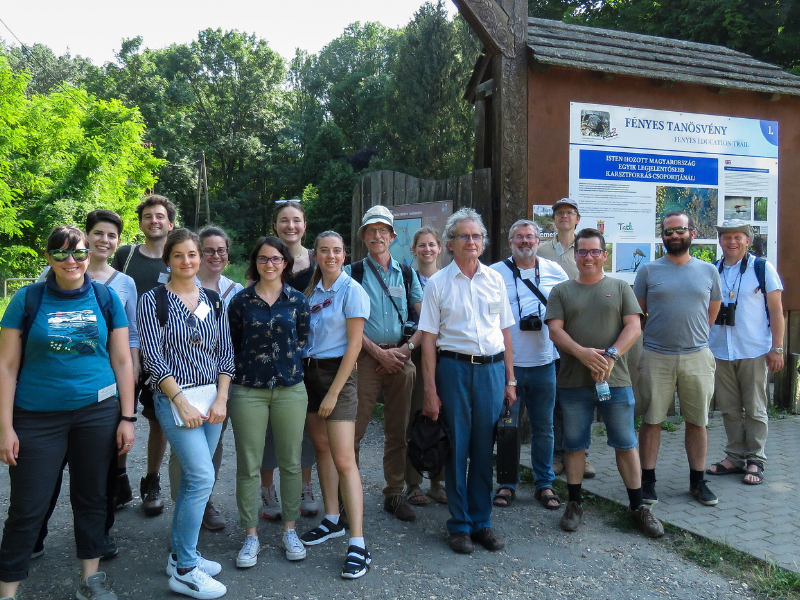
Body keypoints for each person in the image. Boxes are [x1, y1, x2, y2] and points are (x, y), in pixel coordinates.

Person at [0, 226, 135, 600]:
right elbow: (6, 366)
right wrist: (5, 426)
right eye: (60, 253)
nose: (70, 260)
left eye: (78, 252)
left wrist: (127, 417)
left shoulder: (105, 298)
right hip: (35, 417)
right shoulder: (27, 299)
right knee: (28, 507)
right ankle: (8, 591)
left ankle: (90, 579)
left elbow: (123, 361)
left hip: (97, 414)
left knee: (92, 498)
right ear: (49, 258)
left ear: (89, 255)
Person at [32, 210, 140, 560]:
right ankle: (34, 534)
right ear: (87, 238)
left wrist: (132, 379)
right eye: (98, 233)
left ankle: (98, 537)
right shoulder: (53, 274)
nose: (104, 240)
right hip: (54, 393)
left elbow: (130, 337)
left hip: (103, 390)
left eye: (111, 235)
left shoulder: (123, 284)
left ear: (117, 242)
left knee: (98, 473)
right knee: (46, 470)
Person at [545, 228, 663, 538]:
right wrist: (582, 354)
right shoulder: (561, 291)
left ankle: (638, 507)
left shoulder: (620, 287)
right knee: (574, 445)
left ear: (604, 255)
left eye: (594, 251)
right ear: (575, 255)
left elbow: (634, 326)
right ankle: (574, 503)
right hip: (573, 382)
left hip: (617, 380)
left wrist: (610, 356)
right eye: (582, 251)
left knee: (625, 443)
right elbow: (555, 331)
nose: (588, 257)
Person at [137, 228, 234, 599]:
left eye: (192, 254)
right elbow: (153, 357)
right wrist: (179, 401)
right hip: (175, 400)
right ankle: (186, 571)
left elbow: (225, 353)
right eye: (178, 255)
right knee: (200, 476)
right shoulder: (153, 300)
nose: (187, 261)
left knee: (197, 481)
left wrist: (222, 398)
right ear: (168, 260)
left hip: (212, 400)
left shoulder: (213, 299)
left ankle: (180, 554)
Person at [419, 207, 515, 554]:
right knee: (457, 448)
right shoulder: (438, 284)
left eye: (477, 236)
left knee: (484, 448)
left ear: (483, 242)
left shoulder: (495, 280)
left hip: (491, 372)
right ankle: (459, 525)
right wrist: (430, 390)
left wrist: (510, 380)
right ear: (450, 243)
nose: (471, 241)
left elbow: (505, 332)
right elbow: (428, 340)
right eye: (464, 236)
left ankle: (481, 521)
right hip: (454, 370)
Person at [227, 237, 310, 566]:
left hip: (290, 388)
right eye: (263, 259)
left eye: (276, 258)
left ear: (285, 263)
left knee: (291, 462)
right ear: (255, 262)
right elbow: (234, 342)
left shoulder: (298, 300)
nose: (270, 264)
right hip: (248, 389)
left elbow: (301, 339)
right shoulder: (240, 301)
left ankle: (290, 530)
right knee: (249, 464)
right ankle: (251, 535)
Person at [633, 211, 722, 506]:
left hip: (697, 356)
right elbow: (639, 313)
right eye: (668, 231)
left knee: (697, 422)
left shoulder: (708, 271)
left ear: (692, 233)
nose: (674, 235)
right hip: (656, 356)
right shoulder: (648, 271)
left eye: (679, 230)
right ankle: (647, 482)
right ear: (662, 236)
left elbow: (712, 311)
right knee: (651, 420)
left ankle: (697, 482)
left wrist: (693, 336)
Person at [299, 231, 372, 579]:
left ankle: (358, 542)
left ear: (345, 255)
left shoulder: (352, 291)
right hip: (309, 373)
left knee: (344, 459)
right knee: (322, 448)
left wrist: (332, 393)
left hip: (337, 376)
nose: (331, 256)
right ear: (315, 255)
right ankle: (332, 519)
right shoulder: (310, 292)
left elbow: (355, 346)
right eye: (324, 250)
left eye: (337, 251)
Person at [345, 205, 424, 523]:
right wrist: (378, 353)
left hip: (401, 359)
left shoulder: (407, 274)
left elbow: (425, 320)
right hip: (364, 359)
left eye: (382, 231)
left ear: (392, 236)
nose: (377, 236)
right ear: (363, 236)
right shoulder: (352, 273)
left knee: (398, 430)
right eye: (371, 231)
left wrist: (405, 350)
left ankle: (394, 493)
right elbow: (344, 321)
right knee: (354, 430)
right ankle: (347, 497)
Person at [167, 226, 243, 531]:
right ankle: (184, 509)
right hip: (185, 384)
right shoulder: (178, 287)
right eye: (208, 250)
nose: (215, 255)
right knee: (184, 450)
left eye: (221, 250)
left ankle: (204, 501)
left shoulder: (235, 290)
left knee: (215, 442)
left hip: (223, 379)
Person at [490, 219, 568, 510]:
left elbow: (568, 307)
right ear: (510, 242)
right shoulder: (495, 273)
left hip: (544, 362)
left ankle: (544, 483)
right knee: (507, 427)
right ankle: (507, 483)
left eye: (530, 237)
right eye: (519, 237)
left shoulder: (554, 271)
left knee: (544, 428)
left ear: (538, 241)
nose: (525, 241)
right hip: (507, 364)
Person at [706, 220, 785, 485]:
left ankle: (756, 459)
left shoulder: (761, 268)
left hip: (753, 349)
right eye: (727, 237)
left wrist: (777, 348)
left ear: (747, 241)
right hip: (720, 350)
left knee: (755, 408)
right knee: (729, 409)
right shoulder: (712, 270)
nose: (732, 241)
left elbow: (776, 310)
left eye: (738, 237)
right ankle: (734, 457)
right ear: (720, 241)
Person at [111, 194, 176, 516]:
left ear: (171, 223)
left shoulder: (175, 258)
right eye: (148, 216)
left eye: (160, 216)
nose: (154, 221)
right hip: (121, 350)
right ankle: (119, 478)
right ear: (140, 223)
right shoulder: (125, 255)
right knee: (117, 416)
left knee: (158, 419)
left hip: (161, 353)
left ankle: (152, 480)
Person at [260, 201, 320, 521]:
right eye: (284, 220)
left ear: (305, 224)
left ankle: (304, 488)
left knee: (307, 425)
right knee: (270, 425)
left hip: (311, 356)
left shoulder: (319, 259)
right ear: (275, 225)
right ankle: (267, 489)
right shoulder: (268, 257)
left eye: (296, 220)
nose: (291, 226)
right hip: (275, 357)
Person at [537, 198, 596, 479]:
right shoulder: (542, 250)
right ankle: (560, 455)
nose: (564, 217)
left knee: (582, 397)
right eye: (559, 213)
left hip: (580, 332)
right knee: (558, 397)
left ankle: (584, 456)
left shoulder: (585, 248)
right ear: (553, 219)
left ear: (577, 219)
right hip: (552, 333)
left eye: (569, 213)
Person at [405, 226, 447, 506]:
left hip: (448, 355)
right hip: (418, 354)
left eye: (432, 245)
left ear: (440, 248)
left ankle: (437, 480)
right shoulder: (407, 279)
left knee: (443, 417)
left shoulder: (450, 279)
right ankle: (412, 482)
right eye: (422, 245)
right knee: (417, 415)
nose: (427, 249)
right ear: (414, 250)